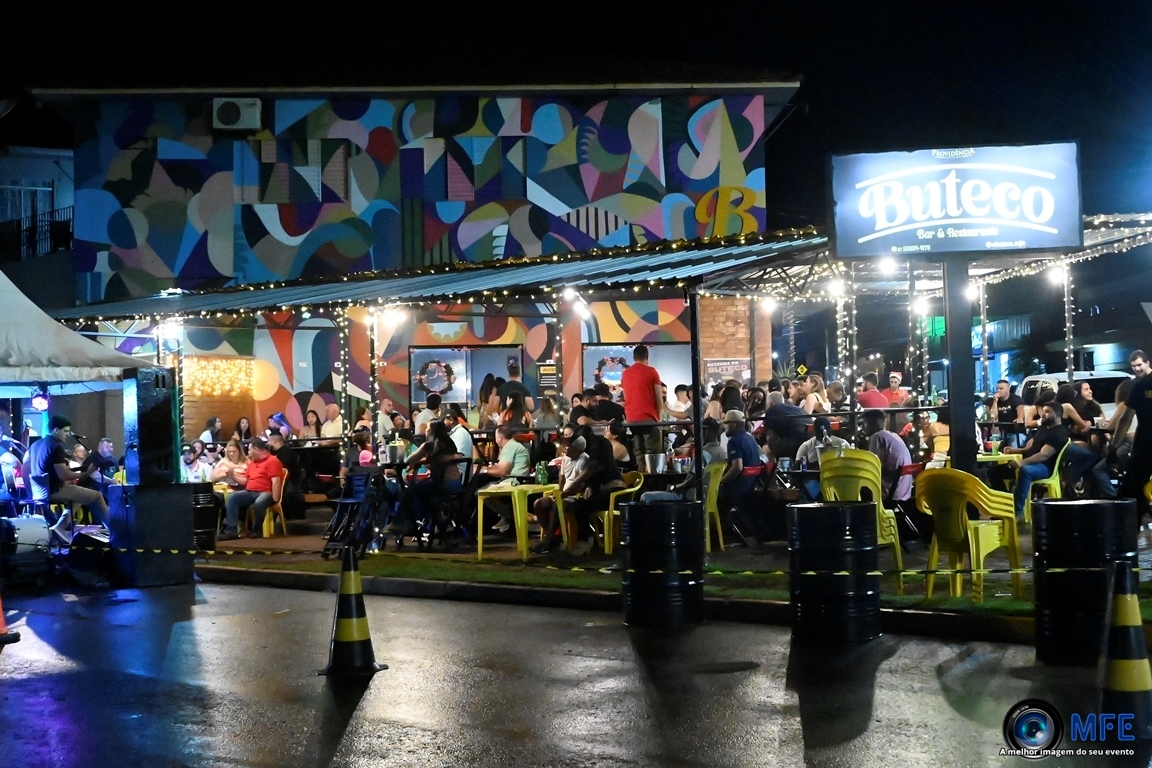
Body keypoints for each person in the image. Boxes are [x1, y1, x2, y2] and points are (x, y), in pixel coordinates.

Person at [25, 415, 114, 542]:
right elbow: (64, 475)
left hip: (40, 490)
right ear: (56, 430)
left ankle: (60, 526)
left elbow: (31, 467)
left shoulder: (35, 445)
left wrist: (79, 470)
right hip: (55, 489)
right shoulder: (56, 446)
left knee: (82, 495)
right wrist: (85, 474)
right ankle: (116, 532)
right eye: (65, 431)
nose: (67, 435)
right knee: (97, 496)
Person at [995, 396, 1069, 520]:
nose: (1042, 415)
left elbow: (1044, 455)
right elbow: (1033, 447)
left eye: (1047, 412)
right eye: (1043, 411)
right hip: (1032, 461)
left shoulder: (1059, 433)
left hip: (1045, 467)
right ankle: (1006, 506)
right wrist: (1016, 450)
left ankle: (1016, 513)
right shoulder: (1043, 428)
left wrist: (1021, 462)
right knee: (994, 472)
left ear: (1057, 415)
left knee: (1026, 471)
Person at [385, 420, 465, 535]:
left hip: (441, 486)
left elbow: (409, 459)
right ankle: (430, 523)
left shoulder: (429, 445)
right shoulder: (450, 444)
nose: (426, 431)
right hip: (456, 484)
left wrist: (418, 459)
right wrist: (426, 460)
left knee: (410, 491)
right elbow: (442, 459)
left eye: (428, 428)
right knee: (422, 493)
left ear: (433, 431)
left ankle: (397, 523)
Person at [560, 426, 626, 555]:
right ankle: (593, 540)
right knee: (580, 504)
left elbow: (589, 473)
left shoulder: (597, 448)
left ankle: (586, 540)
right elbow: (595, 476)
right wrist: (589, 486)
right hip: (613, 491)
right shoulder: (599, 444)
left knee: (579, 506)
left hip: (614, 493)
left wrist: (567, 492)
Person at [1108, 354, 1152, 523]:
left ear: (1147, 362)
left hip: (1146, 445)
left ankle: (1128, 529)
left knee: (1131, 489)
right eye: (1134, 365)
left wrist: (1113, 448)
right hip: (1144, 444)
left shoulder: (1140, 386)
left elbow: (1125, 419)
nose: (1137, 368)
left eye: (1139, 364)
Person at [532, 428, 590, 554]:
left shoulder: (584, 460)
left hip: (575, 496)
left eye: (568, 446)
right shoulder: (565, 459)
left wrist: (564, 494)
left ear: (577, 449)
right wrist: (558, 493)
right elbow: (562, 480)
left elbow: (582, 485)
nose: (565, 448)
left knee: (559, 504)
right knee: (538, 504)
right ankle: (553, 537)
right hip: (563, 494)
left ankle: (549, 541)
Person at [640, 418, 724, 504]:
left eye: (702, 430)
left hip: (691, 496)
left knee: (645, 496)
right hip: (709, 496)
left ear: (708, 431)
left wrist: (674, 487)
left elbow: (692, 481)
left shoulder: (703, 453)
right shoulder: (722, 452)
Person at [219, 437, 284, 540]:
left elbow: (276, 481)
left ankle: (257, 530)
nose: (248, 452)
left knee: (259, 502)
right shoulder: (253, 463)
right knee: (232, 497)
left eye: (249, 450)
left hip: (266, 492)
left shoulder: (272, 461)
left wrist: (276, 499)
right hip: (250, 492)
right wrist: (232, 476)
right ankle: (231, 531)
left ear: (256, 450)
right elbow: (244, 481)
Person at [474, 424, 533, 533]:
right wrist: (485, 468)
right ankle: (508, 517)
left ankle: (510, 516)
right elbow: (500, 466)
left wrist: (485, 471)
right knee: (483, 488)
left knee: (481, 493)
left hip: (514, 481)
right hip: (515, 479)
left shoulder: (510, 447)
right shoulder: (512, 445)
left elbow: (502, 471)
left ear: (499, 438)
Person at [620, 344, 665, 457]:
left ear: (634, 358)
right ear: (647, 357)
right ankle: (650, 469)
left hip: (631, 418)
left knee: (638, 450)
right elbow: (658, 397)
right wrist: (659, 419)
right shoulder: (652, 372)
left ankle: (640, 468)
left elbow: (625, 396)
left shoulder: (625, 373)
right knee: (653, 452)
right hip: (648, 417)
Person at [862, 409, 913, 505]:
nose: (862, 428)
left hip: (890, 493)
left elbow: (874, 466)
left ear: (873, 424)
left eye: (864, 424)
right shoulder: (894, 435)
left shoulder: (877, 437)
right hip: (904, 492)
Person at [718, 410, 763, 516]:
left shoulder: (734, 441)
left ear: (733, 425)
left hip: (738, 488)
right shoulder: (750, 438)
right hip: (751, 485)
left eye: (726, 423)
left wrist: (721, 481)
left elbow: (737, 467)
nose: (724, 427)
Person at [761, 391, 810, 462]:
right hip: (809, 440)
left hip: (794, 442)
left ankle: (772, 469)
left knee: (766, 448)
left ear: (770, 404)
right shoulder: (796, 409)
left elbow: (769, 437)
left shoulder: (771, 411)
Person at [991, 379, 1025, 448]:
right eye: (997, 389)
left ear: (1008, 389)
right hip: (1000, 433)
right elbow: (993, 417)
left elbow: (1020, 407)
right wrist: (995, 402)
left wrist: (1020, 418)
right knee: (991, 445)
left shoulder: (1015, 398)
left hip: (1015, 432)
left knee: (1014, 446)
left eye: (1001, 389)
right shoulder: (993, 400)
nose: (998, 391)